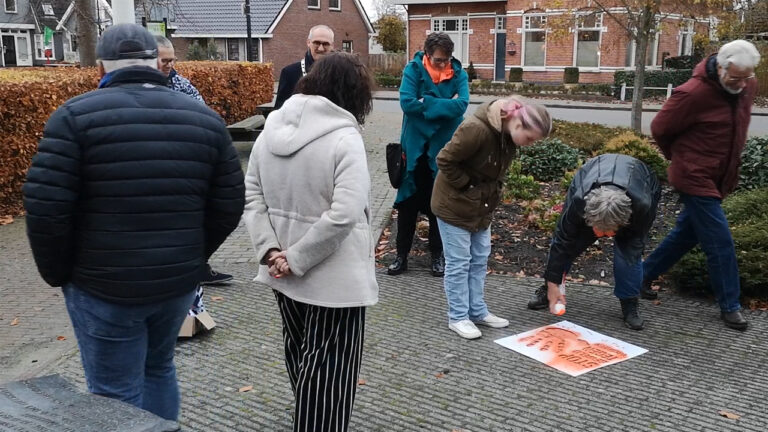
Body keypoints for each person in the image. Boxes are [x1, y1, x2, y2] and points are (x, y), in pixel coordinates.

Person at [22, 24, 245, 421]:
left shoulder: (73, 117)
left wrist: (61, 273)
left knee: (111, 392)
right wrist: (191, 257)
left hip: (102, 285)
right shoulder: (204, 119)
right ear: (156, 62)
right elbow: (228, 204)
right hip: (175, 282)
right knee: (159, 368)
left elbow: (46, 208)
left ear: (101, 66)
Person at [244, 52, 377, 431]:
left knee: (300, 350)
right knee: (332, 366)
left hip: (281, 271)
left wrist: (271, 251)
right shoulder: (344, 136)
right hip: (335, 275)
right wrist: (297, 257)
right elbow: (346, 212)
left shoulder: (270, 128)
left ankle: (307, 417)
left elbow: (252, 196)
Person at [642, 40, 760, 331]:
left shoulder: (746, 85)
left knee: (686, 234)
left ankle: (639, 277)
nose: (742, 84)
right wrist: (680, 160)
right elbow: (659, 128)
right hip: (694, 176)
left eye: (747, 78)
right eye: (735, 77)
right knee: (719, 242)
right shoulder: (692, 93)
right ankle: (730, 305)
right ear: (720, 67)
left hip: (719, 176)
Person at [432, 97, 552, 339]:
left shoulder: (506, 135)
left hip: (481, 207)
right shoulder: (475, 129)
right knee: (458, 263)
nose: (528, 145)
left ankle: (476, 311)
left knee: (478, 259)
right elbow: (444, 159)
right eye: (529, 139)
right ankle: (458, 316)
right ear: (517, 124)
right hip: (454, 206)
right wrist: (468, 186)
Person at [527, 154, 661, 331]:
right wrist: (552, 282)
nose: (603, 235)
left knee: (628, 253)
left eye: (608, 231)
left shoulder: (642, 206)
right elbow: (562, 241)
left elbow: (635, 244)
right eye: (598, 228)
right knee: (570, 244)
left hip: (640, 181)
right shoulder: (579, 201)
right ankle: (550, 289)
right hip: (593, 173)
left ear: (624, 222)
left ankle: (629, 302)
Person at [388, 32, 470, 277]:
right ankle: (401, 256)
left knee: (439, 208)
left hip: (443, 153)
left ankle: (438, 256)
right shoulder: (412, 70)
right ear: (426, 55)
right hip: (414, 152)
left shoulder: (459, 74)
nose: (443, 64)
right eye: (437, 60)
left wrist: (426, 102)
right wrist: (444, 108)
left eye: (446, 60)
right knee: (407, 206)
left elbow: (462, 105)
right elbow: (407, 104)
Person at [155, 34, 233, 286]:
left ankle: (196, 265)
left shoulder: (183, 86)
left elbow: (206, 118)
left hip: (184, 166)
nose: (169, 66)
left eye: (172, 60)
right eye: (163, 60)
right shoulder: (136, 91)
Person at [273, 24, 334, 110]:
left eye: (325, 44)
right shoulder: (290, 73)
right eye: (316, 43)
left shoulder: (341, 73)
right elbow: (281, 110)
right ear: (308, 43)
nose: (320, 48)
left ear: (332, 45)